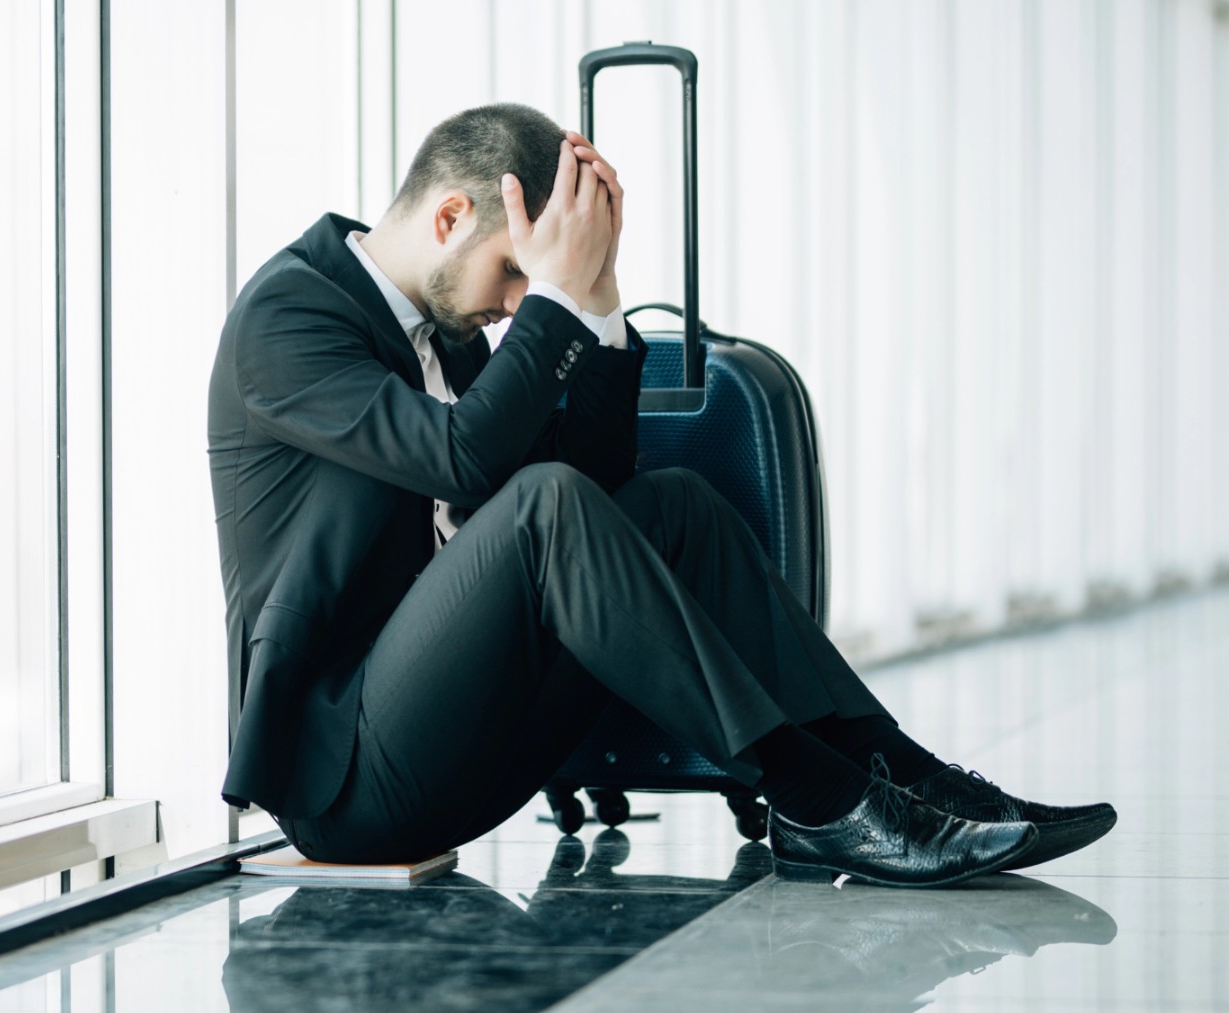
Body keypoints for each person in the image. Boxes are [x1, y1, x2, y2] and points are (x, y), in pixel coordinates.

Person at [206, 102, 1115, 888]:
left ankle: (900, 772)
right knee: (543, 503)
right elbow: (469, 464)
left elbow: (600, 493)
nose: (522, 305)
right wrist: (557, 303)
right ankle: (818, 796)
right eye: (517, 275)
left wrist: (598, 306)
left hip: (471, 738)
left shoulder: (449, 335)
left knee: (671, 504)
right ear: (450, 217)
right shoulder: (289, 317)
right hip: (351, 780)